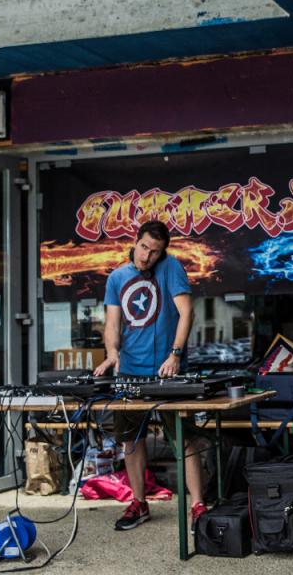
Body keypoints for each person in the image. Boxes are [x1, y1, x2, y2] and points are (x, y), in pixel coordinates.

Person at [93, 220, 207, 532]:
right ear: (136, 240)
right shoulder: (117, 278)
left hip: (166, 371)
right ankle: (139, 502)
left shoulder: (171, 268)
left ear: (162, 253)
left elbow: (186, 312)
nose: (146, 256)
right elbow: (112, 323)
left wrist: (175, 354)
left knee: (183, 438)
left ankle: (198, 505)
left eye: (154, 252)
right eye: (144, 247)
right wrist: (112, 353)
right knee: (131, 440)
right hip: (130, 371)